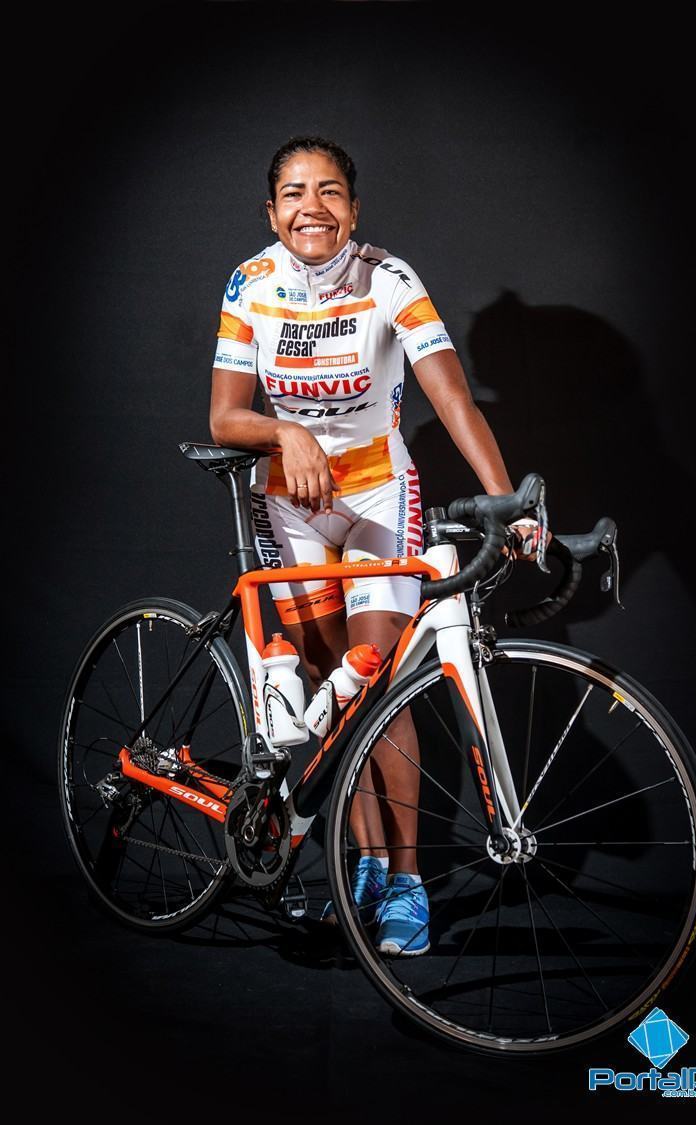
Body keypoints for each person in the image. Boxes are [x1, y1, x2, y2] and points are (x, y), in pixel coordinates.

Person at [209, 135, 545, 956]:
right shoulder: (249, 284)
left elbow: (453, 397)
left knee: (375, 685)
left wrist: (508, 502)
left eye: (329, 192)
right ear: (271, 210)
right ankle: (357, 862)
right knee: (328, 695)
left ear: (354, 211)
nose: (311, 207)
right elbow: (224, 419)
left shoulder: (390, 279)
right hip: (289, 510)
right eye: (293, 192)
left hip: (377, 501)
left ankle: (406, 877)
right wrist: (286, 432)